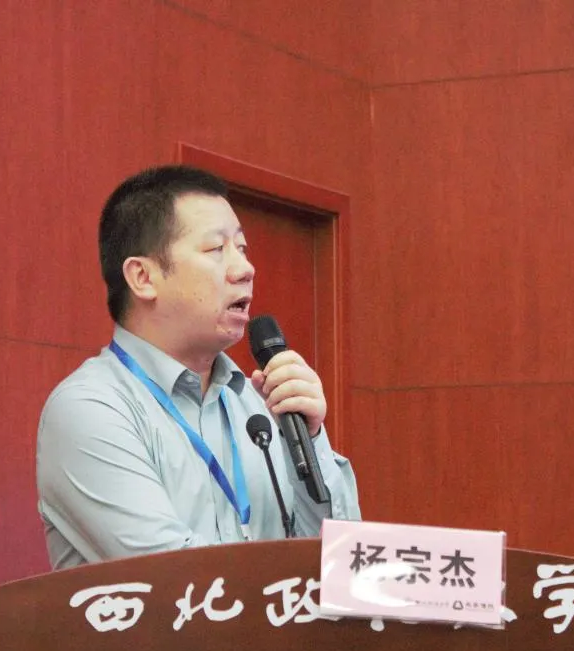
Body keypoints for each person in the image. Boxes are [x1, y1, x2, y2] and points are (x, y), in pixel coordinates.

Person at [36, 164, 363, 570]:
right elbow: (174, 578)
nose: (245, 269)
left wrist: (310, 441)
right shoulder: (90, 410)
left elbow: (342, 564)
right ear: (143, 277)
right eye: (216, 250)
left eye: (242, 248)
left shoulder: (260, 406)